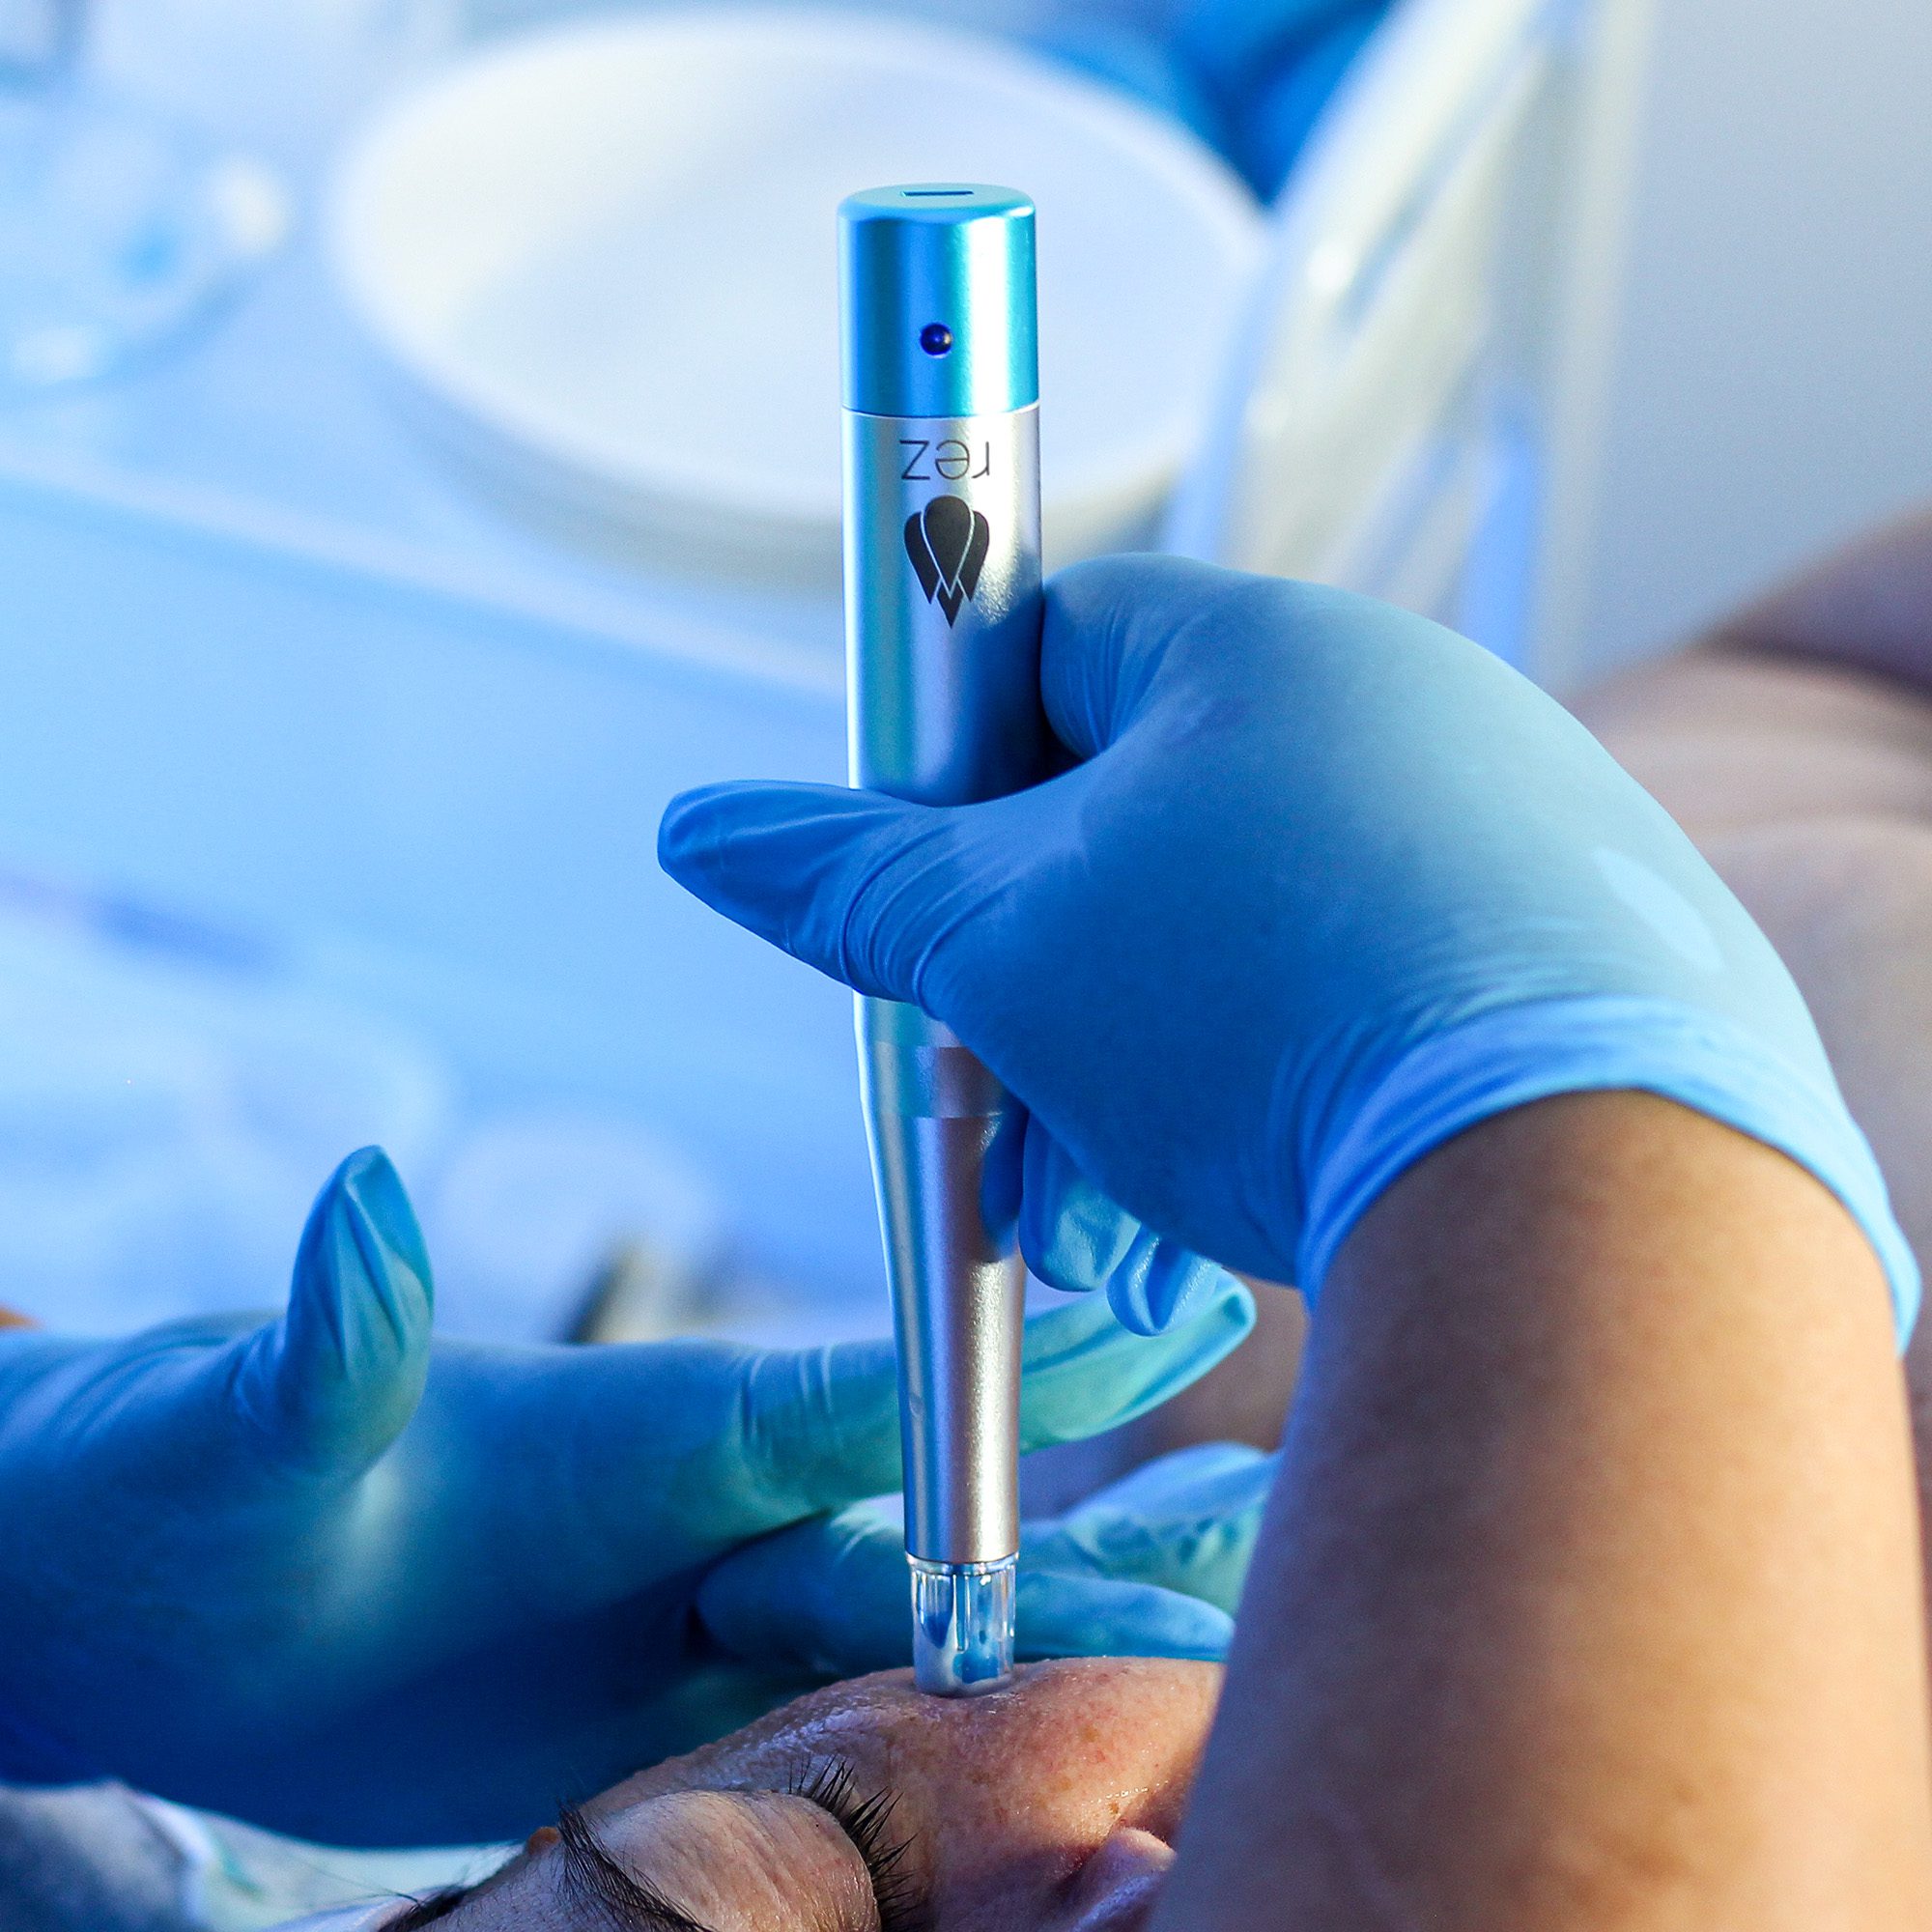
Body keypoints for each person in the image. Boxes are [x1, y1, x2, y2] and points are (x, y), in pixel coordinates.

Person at [640, 552, 1931, 1928]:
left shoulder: (1125, 1394)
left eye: (851, 1865)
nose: (1135, 1892)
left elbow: (1815, 668)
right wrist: (1541, 1097)